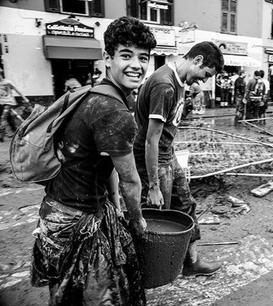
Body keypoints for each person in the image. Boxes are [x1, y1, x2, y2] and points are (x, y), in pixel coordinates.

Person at [30, 16, 156, 305]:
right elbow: (131, 180)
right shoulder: (114, 112)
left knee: (64, 294)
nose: (136, 65)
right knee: (97, 298)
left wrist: (113, 201)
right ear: (107, 58)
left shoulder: (89, 94)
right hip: (78, 221)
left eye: (143, 57)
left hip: (54, 213)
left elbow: (105, 162)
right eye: (126, 55)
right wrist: (137, 220)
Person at [134, 41, 224, 276]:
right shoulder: (165, 85)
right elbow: (150, 140)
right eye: (205, 75)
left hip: (168, 154)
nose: (203, 81)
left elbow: (168, 125)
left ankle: (190, 262)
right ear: (198, 60)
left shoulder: (179, 81)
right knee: (156, 214)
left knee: (185, 204)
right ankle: (147, 269)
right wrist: (153, 185)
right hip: (154, 159)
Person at [0, 68, 30, 142]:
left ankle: (1, 135)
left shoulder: (7, 82)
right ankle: (16, 132)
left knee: (3, 117)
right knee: (9, 119)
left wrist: (25, 98)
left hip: (9, 102)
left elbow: (17, 90)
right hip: (1, 103)